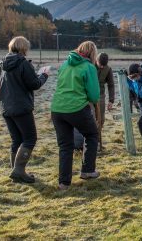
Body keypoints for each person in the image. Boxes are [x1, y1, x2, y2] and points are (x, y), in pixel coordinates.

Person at [0, 36, 48, 183]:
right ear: (23, 48)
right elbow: (34, 84)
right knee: (30, 138)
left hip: (5, 106)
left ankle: (15, 171)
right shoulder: (23, 63)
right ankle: (19, 171)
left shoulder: (2, 62)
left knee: (16, 140)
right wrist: (44, 75)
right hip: (21, 107)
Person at [51, 41, 101, 190]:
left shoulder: (65, 64)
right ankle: (87, 170)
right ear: (92, 53)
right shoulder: (89, 67)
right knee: (92, 134)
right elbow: (93, 95)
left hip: (57, 109)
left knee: (65, 145)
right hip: (77, 108)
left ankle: (64, 183)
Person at [96, 52, 115, 150]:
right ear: (96, 60)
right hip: (87, 96)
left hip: (101, 96)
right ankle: (87, 142)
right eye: (100, 64)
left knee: (101, 120)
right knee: (91, 119)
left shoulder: (108, 69)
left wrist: (111, 101)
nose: (102, 67)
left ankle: (98, 142)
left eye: (104, 65)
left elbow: (111, 85)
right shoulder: (90, 66)